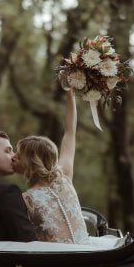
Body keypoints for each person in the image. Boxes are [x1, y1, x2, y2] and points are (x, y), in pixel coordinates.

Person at [12, 89, 88, 244]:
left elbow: (70, 132)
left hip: (57, 266)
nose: (12, 157)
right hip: (88, 258)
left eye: (18, 156)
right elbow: (69, 131)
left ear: (31, 162)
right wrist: (70, 95)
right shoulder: (64, 176)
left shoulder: (26, 200)